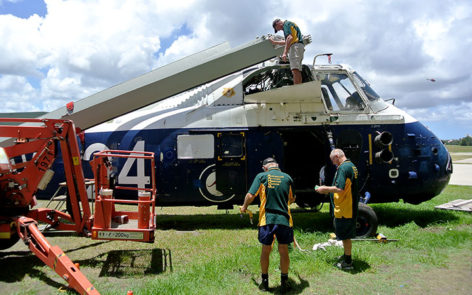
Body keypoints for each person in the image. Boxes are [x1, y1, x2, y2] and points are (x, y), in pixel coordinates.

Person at [240, 157, 295, 291]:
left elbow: (250, 195)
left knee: (266, 250)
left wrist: (244, 207)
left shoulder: (261, 176)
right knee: (283, 250)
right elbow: (292, 199)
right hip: (284, 220)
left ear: (265, 167)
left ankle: (265, 283)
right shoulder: (287, 178)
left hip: (267, 220)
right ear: (277, 166)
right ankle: (284, 282)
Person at [315, 149, 359, 270]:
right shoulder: (351, 165)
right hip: (349, 206)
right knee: (346, 235)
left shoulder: (343, 168)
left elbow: (340, 189)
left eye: (333, 160)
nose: (333, 163)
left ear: (336, 156)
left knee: (345, 236)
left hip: (345, 208)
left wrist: (324, 189)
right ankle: (346, 256)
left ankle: (348, 262)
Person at [270, 19, 305, 84]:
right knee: (297, 70)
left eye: (277, 28)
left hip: (295, 47)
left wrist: (284, 53)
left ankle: (297, 89)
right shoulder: (289, 24)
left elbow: (289, 38)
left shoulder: (285, 25)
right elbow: (287, 41)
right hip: (298, 46)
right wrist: (275, 42)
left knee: (295, 70)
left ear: (278, 23)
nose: (279, 30)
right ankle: (299, 87)